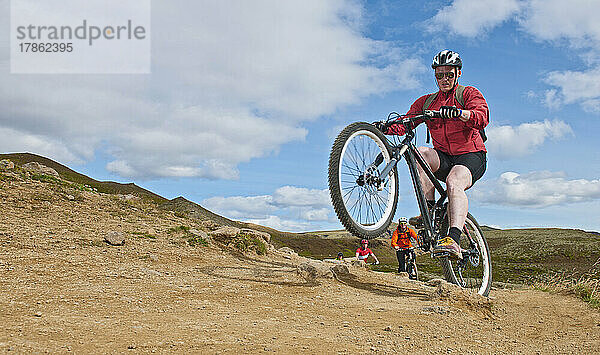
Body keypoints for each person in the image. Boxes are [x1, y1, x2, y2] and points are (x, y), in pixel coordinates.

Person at [376, 50, 489, 260]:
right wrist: (383, 128)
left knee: (453, 182)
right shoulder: (427, 102)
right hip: (444, 156)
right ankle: (428, 211)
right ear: (435, 75)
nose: (444, 79)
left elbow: (482, 117)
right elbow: (406, 123)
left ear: (458, 73)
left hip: (471, 155)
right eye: (440, 75)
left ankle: (454, 239)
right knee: (420, 153)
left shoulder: (468, 94)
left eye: (449, 74)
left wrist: (461, 113)